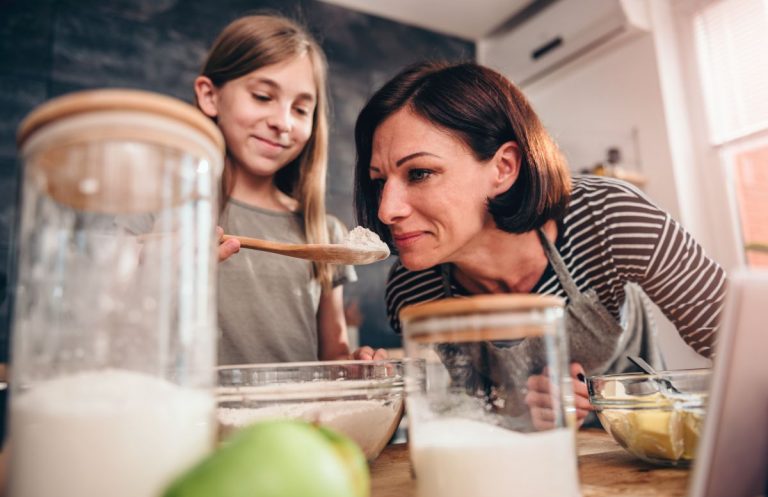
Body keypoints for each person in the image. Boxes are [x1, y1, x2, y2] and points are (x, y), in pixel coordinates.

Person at [352, 61, 726, 427]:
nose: (386, 210)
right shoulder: (413, 289)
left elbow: (740, 343)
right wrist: (520, 413)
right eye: (379, 181)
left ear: (503, 168)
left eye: (419, 173)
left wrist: (600, 399)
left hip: (644, 443)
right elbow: (474, 410)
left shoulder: (609, 216)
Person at [194, 14, 386, 364]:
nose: (282, 123)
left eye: (300, 109)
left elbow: (334, 355)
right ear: (210, 97)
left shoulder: (325, 233)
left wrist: (355, 366)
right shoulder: (169, 215)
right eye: (263, 96)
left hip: (298, 420)